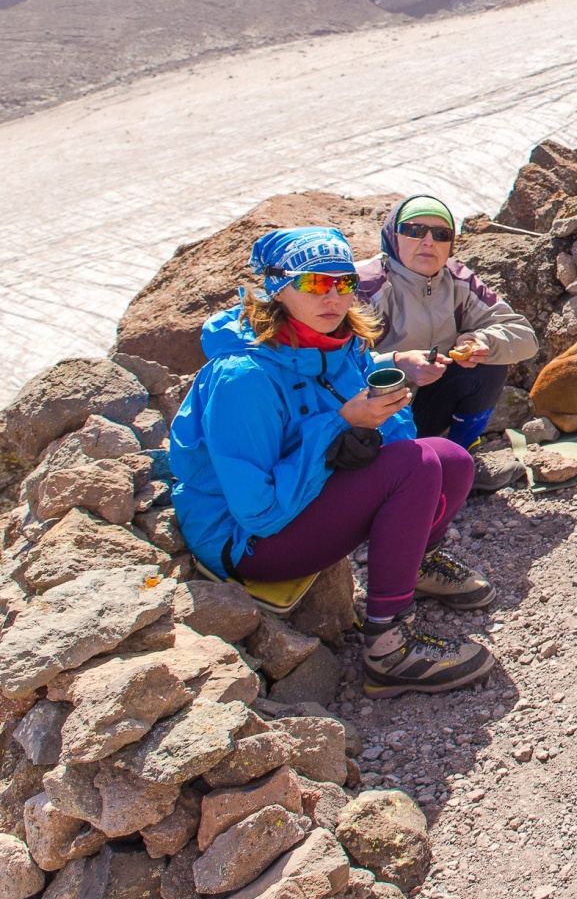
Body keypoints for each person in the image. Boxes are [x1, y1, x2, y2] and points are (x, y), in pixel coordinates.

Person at [169, 227, 496, 698]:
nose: (333, 296)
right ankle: (387, 647)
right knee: (416, 467)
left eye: (343, 283)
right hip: (246, 540)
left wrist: (379, 419)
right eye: (314, 283)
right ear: (276, 287)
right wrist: (337, 428)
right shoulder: (243, 378)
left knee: (450, 460)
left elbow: (396, 441)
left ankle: (412, 563)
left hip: (303, 496)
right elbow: (256, 510)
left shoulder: (342, 344)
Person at [357, 194, 539, 449]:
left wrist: (481, 341)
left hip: (425, 406)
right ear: (393, 235)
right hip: (372, 414)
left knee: (488, 364)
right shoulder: (364, 286)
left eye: (441, 234)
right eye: (414, 231)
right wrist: (398, 363)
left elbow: (525, 337)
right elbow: (336, 366)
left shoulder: (457, 281)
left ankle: (460, 453)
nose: (428, 242)